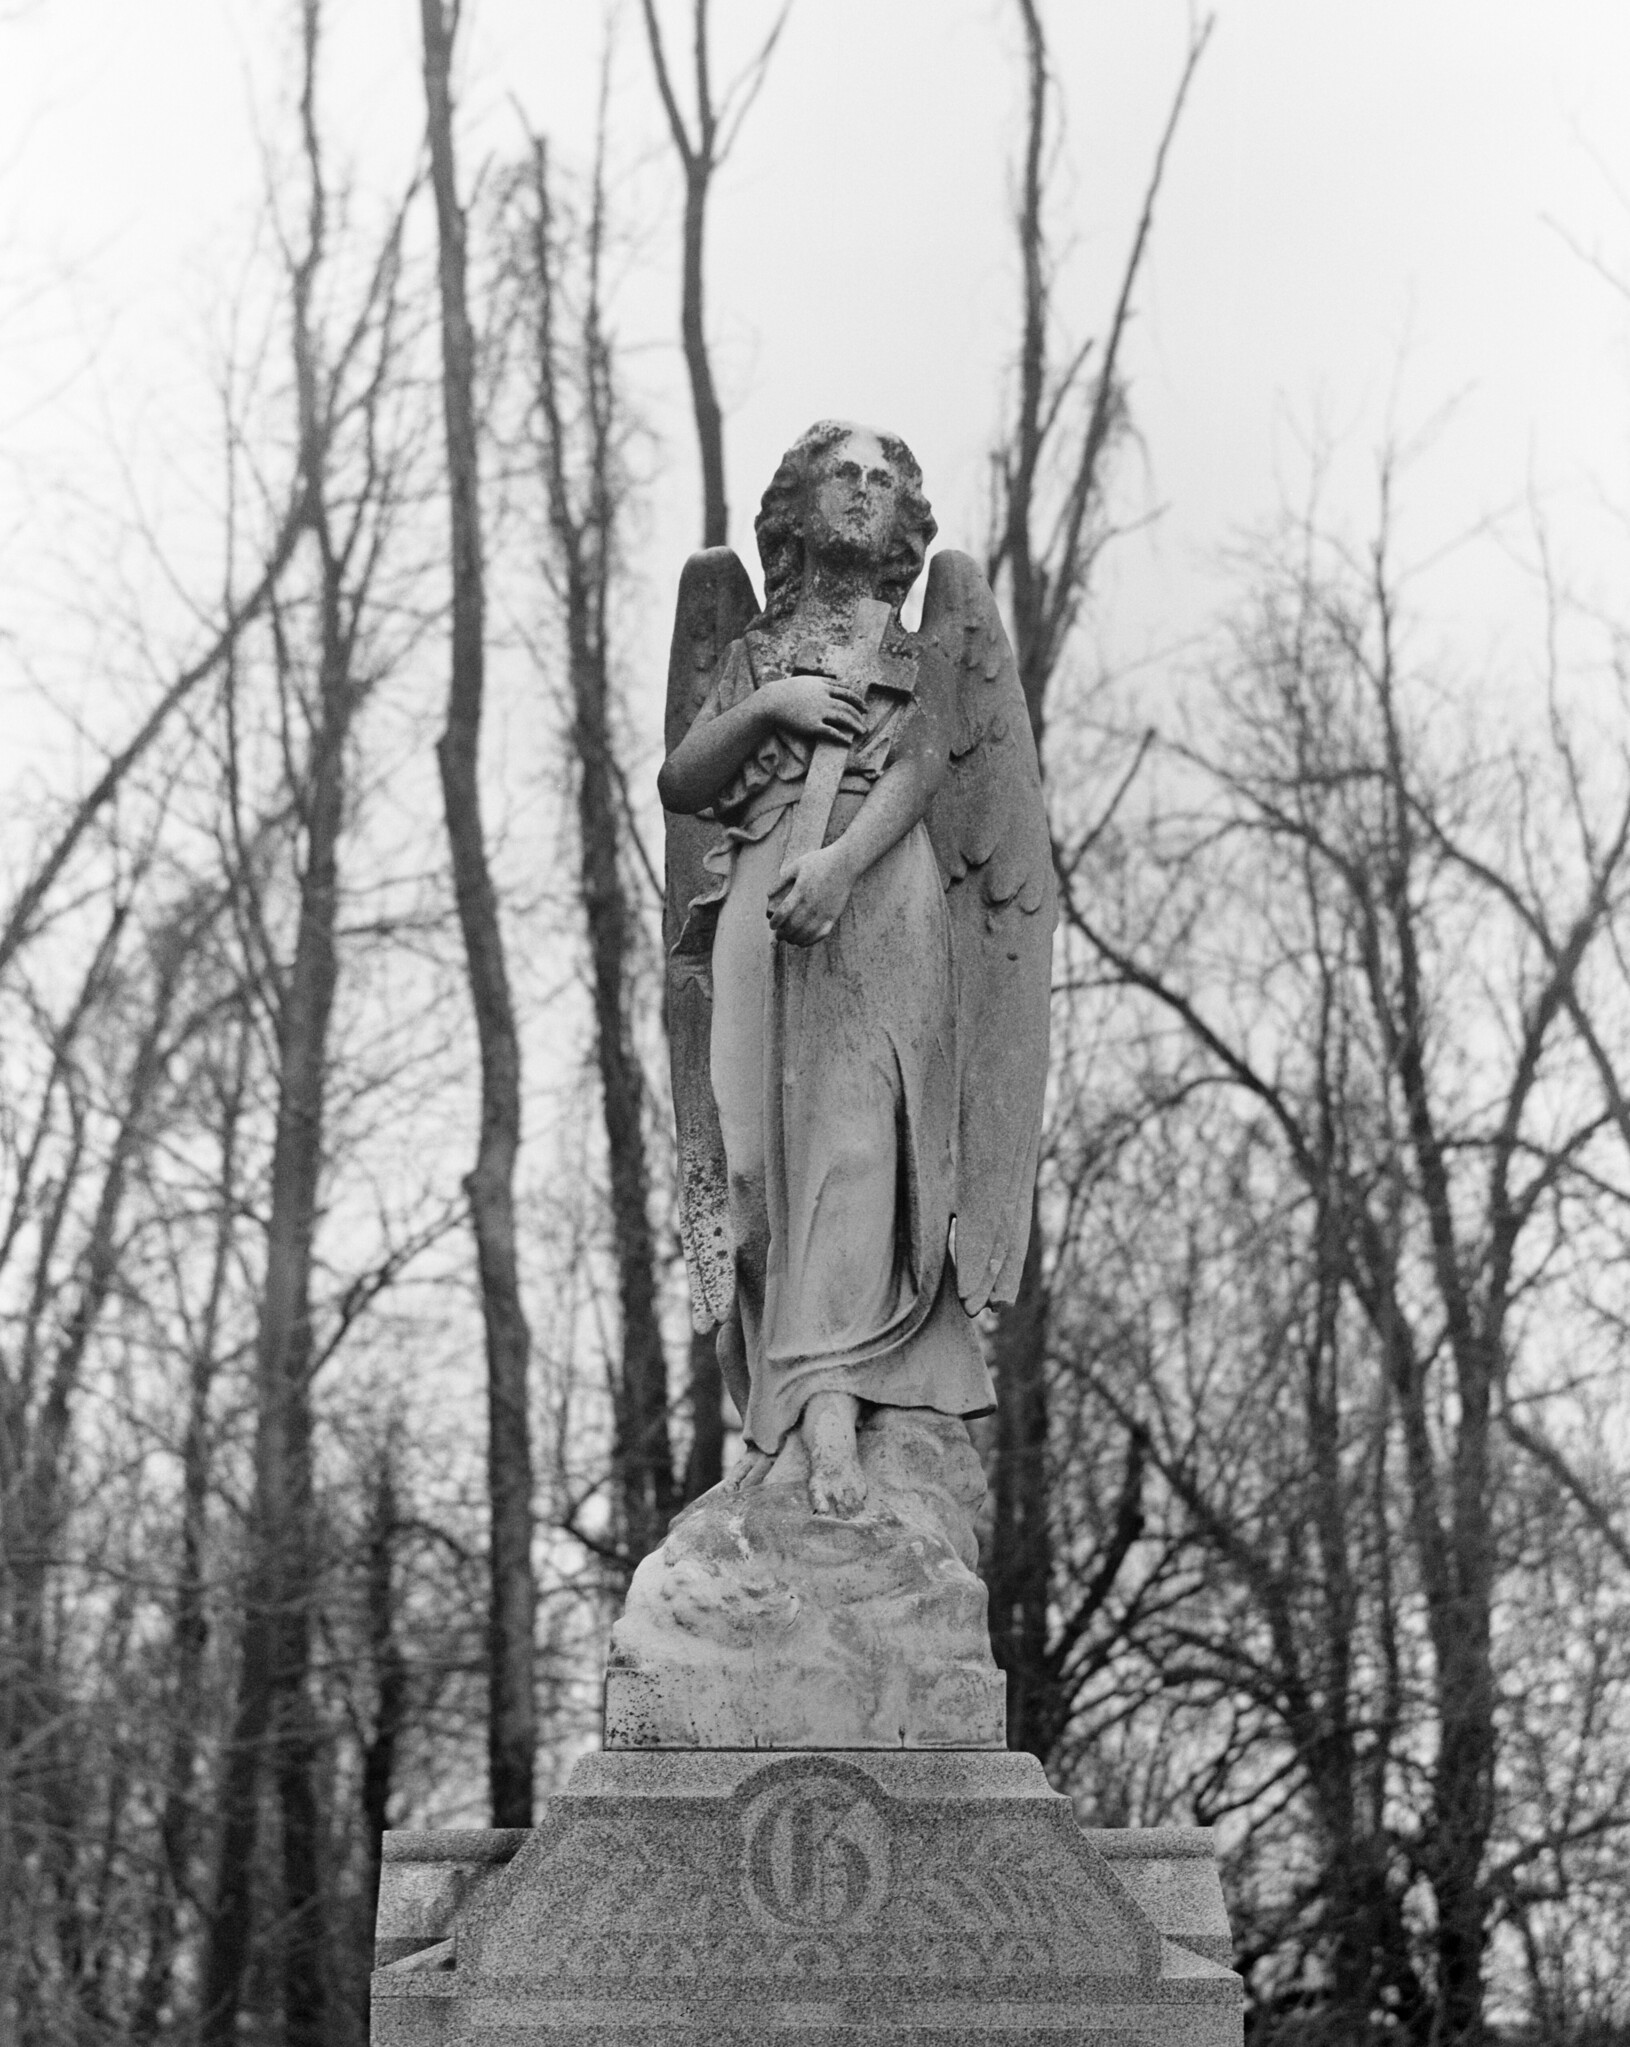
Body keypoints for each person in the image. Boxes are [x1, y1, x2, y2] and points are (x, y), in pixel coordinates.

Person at [659, 422, 995, 1518]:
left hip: (877, 890)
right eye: (839, 475)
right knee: (751, 1170)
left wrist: (844, 868)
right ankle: (771, 1399)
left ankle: (836, 1412)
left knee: (853, 1146)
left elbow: (929, 763)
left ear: (905, 518)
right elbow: (682, 780)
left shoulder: (917, 643)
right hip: (759, 883)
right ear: (798, 510)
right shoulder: (757, 650)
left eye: (883, 478)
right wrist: (769, 707)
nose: (862, 490)